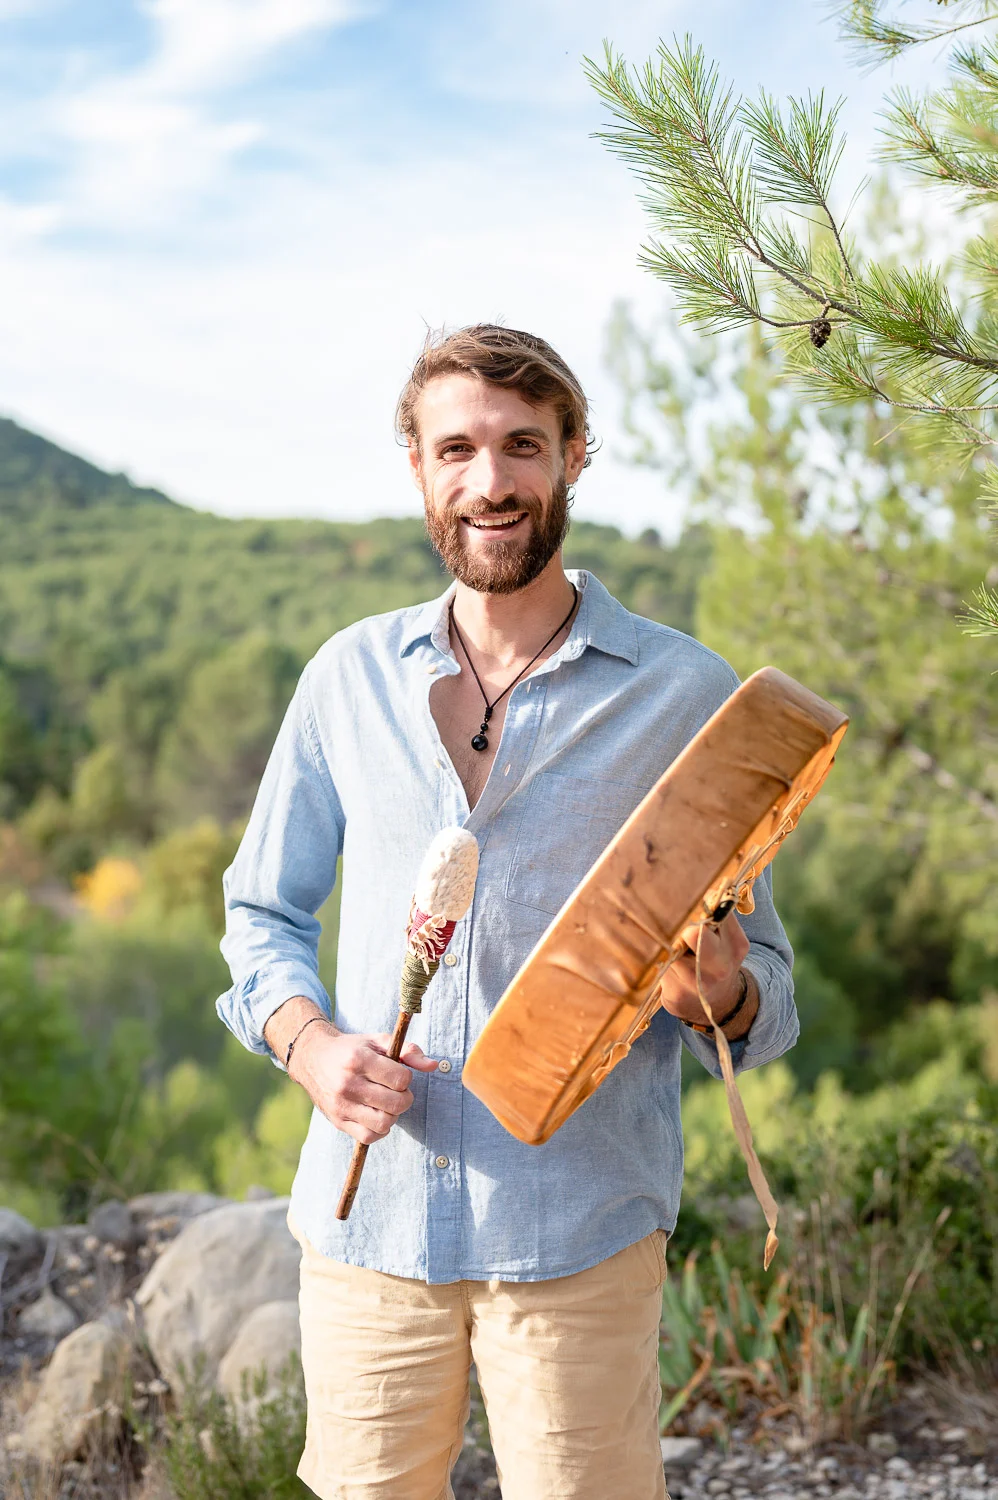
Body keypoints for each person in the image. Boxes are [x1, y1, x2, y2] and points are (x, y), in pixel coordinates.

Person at [216, 324, 798, 1500]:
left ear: (572, 456)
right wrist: (310, 1044)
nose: (490, 482)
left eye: (522, 446)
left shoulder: (684, 693)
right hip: (367, 1226)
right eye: (457, 450)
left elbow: (765, 997)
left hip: (579, 1230)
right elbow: (258, 916)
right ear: (420, 470)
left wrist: (720, 990)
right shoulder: (345, 678)